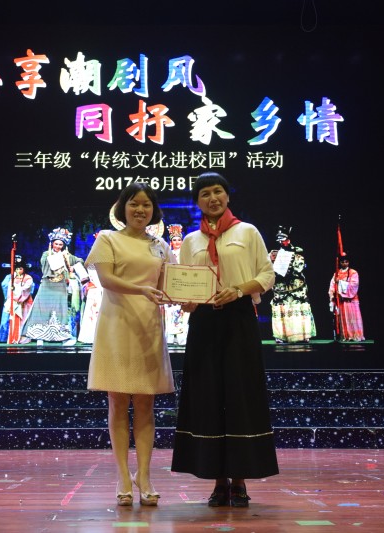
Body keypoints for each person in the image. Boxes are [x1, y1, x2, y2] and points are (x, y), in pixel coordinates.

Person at [170, 171, 278, 508]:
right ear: (197, 202)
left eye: (218, 191)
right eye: (205, 194)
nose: (212, 198)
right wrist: (185, 301)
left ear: (227, 196)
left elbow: (267, 274)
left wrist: (239, 290)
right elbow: (185, 283)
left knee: (240, 394)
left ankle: (240, 480)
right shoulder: (191, 241)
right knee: (208, 396)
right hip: (204, 322)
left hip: (239, 318)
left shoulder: (247, 232)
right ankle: (218, 481)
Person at [85, 183, 174, 507]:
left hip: (148, 328)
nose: (140, 210)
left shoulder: (161, 246)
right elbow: (106, 280)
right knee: (118, 402)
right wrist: (143, 290)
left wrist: (188, 296)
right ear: (122, 207)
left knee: (147, 404)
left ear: (154, 210)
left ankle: (144, 476)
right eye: (134, 203)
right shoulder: (108, 239)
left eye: (146, 205)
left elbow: (170, 285)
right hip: (116, 327)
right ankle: (123, 476)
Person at [22, 227, 84, 346]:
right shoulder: (46, 254)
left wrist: (72, 267)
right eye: (56, 244)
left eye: (60, 244)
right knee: (42, 309)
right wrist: (62, 259)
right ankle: (39, 336)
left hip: (60, 287)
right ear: (52, 244)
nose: (58, 246)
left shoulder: (67, 255)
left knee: (60, 310)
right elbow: (45, 266)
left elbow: (79, 261)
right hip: (47, 285)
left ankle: (63, 337)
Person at [269, 226, 317, 343]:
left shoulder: (297, 251)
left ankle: (303, 335)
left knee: (298, 307)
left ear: (288, 239)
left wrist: (287, 270)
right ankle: (281, 335)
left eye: (283, 239)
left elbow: (299, 267)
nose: (281, 242)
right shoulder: (274, 253)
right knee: (281, 308)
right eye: (279, 240)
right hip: (281, 286)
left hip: (296, 285)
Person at [328, 253, 365, 342]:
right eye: (342, 262)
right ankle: (346, 336)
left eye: (346, 262)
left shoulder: (353, 272)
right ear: (340, 263)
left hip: (351, 300)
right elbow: (332, 286)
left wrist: (340, 282)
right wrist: (333, 295)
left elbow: (354, 285)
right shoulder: (336, 273)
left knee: (353, 318)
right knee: (344, 319)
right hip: (341, 301)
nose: (344, 263)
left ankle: (355, 336)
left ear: (348, 262)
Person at [163, 224, 190, 345]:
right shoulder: (168, 253)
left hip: (183, 284)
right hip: (171, 285)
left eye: (179, 239)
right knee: (170, 310)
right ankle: (170, 337)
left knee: (183, 310)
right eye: (174, 240)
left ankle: (181, 338)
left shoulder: (186, 253)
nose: (177, 242)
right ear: (171, 241)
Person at [77, 232, 104, 344]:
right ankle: (90, 336)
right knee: (93, 310)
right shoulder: (93, 257)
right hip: (96, 287)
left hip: (105, 287)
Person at [5, 258, 36, 344]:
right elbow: (9, 290)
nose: (19, 270)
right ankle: (14, 338)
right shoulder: (13, 278)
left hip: (25, 302)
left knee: (24, 320)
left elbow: (26, 289)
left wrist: (17, 294)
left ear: (24, 269)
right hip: (15, 302)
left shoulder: (28, 278)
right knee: (14, 320)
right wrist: (12, 299)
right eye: (17, 269)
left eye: (21, 269)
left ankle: (23, 339)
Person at [0, 255, 21, 343]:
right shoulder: (9, 276)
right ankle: (4, 337)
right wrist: (9, 296)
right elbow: (4, 285)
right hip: (10, 300)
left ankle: (17, 338)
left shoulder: (26, 277)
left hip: (20, 301)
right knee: (6, 319)